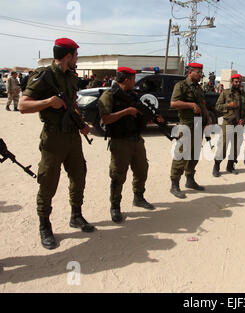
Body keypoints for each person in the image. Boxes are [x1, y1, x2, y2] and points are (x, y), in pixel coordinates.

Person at [18, 37, 95, 250]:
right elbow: (23, 106)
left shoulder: (70, 77)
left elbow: (71, 104)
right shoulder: (43, 76)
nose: (76, 59)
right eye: (76, 55)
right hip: (53, 139)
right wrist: (48, 102)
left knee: (79, 176)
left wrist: (81, 123)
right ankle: (45, 226)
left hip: (72, 137)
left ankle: (76, 215)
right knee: (48, 182)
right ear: (68, 55)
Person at [98, 67, 163, 223]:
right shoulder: (109, 95)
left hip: (136, 139)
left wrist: (150, 118)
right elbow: (105, 119)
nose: (135, 82)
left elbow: (138, 114)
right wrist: (126, 111)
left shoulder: (131, 96)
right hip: (120, 141)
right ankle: (115, 207)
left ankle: (138, 197)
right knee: (118, 175)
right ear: (126, 79)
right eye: (133, 79)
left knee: (142, 170)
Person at [169, 62, 211, 199]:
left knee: (195, 153)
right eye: (198, 72)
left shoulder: (198, 88)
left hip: (199, 123)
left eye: (201, 73)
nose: (200, 75)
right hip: (186, 124)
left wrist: (208, 118)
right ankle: (174, 184)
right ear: (190, 72)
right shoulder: (181, 85)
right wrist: (190, 104)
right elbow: (173, 103)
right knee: (182, 154)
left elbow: (202, 104)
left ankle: (190, 179)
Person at [213, 73, 245, 176]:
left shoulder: (244, 95)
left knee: (236, 146)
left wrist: (244, 120)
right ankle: (216, 166)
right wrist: (228, 105)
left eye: (239, 82)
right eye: (236, 81)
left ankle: (230, 166)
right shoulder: (225, 93)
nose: (238, 83)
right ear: (232, 82)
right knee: (223, 145)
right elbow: (218, 106)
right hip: (228, 123)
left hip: (239, 124)